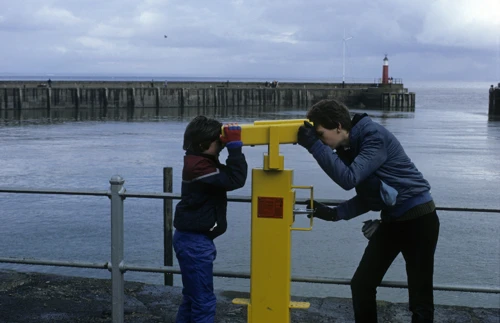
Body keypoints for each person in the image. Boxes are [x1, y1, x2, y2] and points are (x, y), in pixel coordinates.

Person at [296, 99, 440, 323]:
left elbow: (349, 179)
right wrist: (336, 213)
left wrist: (314, 147)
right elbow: (372, 196)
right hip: (392, 221)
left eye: (321, 134)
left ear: (338, 126)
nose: (321, 141)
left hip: (419, 219)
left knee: (419, 295)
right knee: (362, 284)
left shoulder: (373, 137)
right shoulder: (349, 146)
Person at [173, 115, 248, 323]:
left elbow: (226, 174)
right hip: (194, 243)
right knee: (204, 302)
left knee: (192, 298)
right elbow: (235, 179)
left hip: (192, 240)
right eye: (218, 143)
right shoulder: (199, 167)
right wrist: (234, 147)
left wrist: (226, 145)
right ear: (203, 144)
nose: (221, 147)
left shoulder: (200, 161)